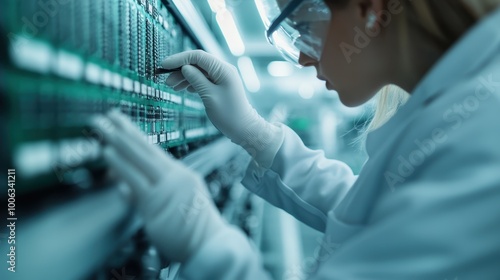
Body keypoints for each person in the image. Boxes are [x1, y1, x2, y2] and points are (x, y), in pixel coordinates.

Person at [91, 0, 500, 279]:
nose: (303, 57)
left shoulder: (484, 129)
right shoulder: (464, 103)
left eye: (301, 28)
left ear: (370, 9)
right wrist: (255, 133)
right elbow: (381, 215)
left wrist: (213, 252)